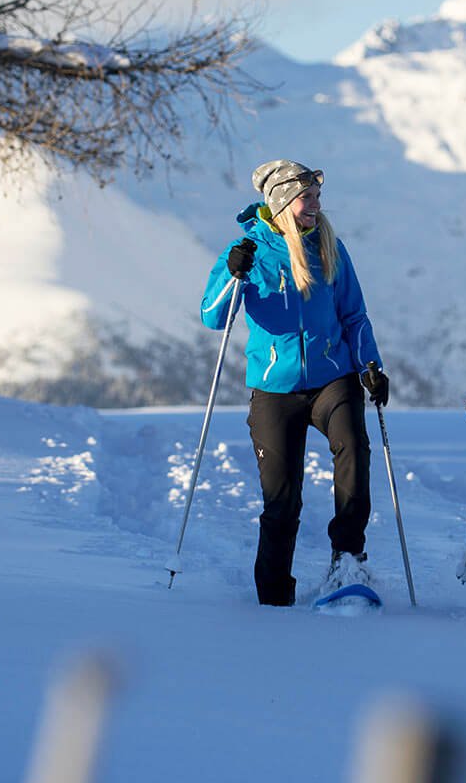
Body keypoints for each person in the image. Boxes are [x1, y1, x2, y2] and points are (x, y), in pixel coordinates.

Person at [200, 159, 390, 606]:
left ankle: (347, 558)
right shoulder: (249, 251)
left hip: (332, 376)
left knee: (353, 451)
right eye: (308, 198)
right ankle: (274, 595)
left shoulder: (330, 246)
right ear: (283, 202)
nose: (316, 207)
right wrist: (233, 274)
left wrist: (370, 366)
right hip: (274, 388)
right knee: (282, 499)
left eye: (318, 198)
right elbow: (214, 316)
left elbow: (354, 314)